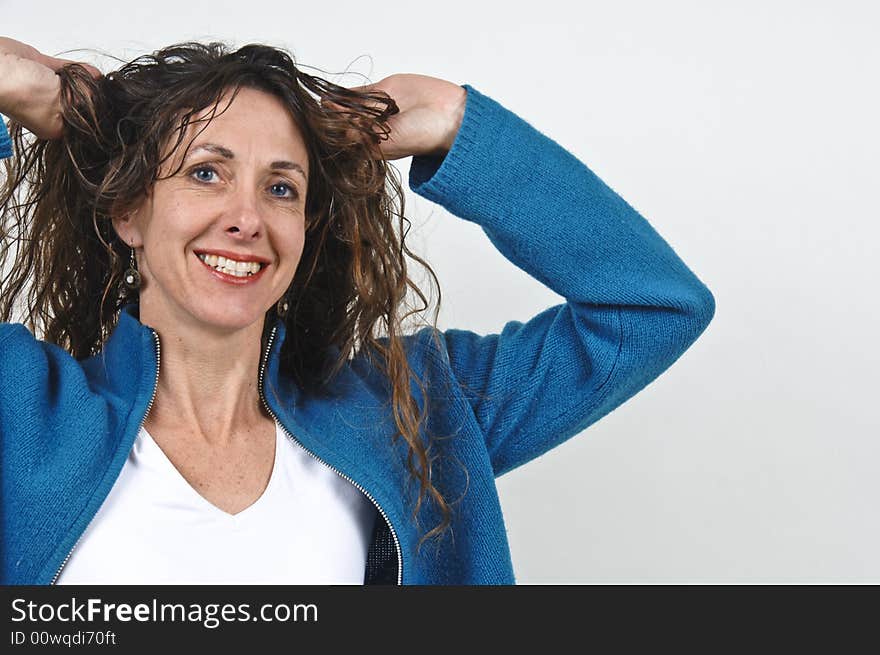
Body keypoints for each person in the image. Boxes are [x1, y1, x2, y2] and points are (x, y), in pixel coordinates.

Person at [0, 36, 715, 585]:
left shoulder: (414, 408)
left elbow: (649, 307)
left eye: (281, 188)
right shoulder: (20, 406)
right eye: (206, 172)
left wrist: (459, 128)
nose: (246, 217)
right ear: (129, 210)